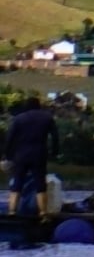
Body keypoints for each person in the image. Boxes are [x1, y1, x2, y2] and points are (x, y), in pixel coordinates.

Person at [6, 90, 51, 237]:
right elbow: (55, 137)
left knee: (17, 183)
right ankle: (43, 213)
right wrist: (55, 152)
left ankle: (12, 211)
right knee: (40, 184)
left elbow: (10, 138)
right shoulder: (47, 118)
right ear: (39, 106)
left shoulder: (18, 119)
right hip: (39, 154)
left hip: (21, 155)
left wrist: (8, 155)